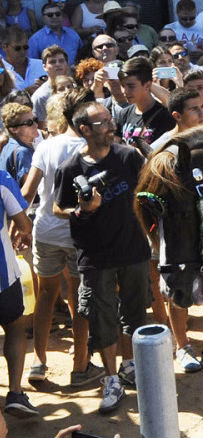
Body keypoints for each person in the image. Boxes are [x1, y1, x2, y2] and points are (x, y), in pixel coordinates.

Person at [53, 100, 152, 414]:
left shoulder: (128, 157)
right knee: (103, 318)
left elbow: (148, 190)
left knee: (135, 314)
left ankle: (130, 365)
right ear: (84, 130)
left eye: (111, 120)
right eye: (103, 122)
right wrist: (83, 209)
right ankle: (111, 379)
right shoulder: (71, 167)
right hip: (95, 256)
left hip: (133, 249)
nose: (111, 126)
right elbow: (59, 207)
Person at [22, 89, 104, 390]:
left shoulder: (46, 146)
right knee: (79, 299)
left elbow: (28, 193)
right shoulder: (92, 147)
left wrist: (18, 224)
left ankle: (39, 362)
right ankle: (80, 366)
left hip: (45, 232)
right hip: (79, 235)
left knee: (46, 296)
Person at [0, 168, 35, 418]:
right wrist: (22, 233)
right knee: (14, 326)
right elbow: (23, 223)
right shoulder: (1, 178)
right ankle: (15, 392)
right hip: (3, 276)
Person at [113, 57, 176, 148]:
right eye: (123, 86)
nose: (125, 91)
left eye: (131, 86)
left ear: (147, 86)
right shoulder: (123, 114)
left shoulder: (164, 117)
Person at [0, 103, 39, 186]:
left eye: (35, 120)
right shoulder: (22, 152)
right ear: (14, 129)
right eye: (29, 123)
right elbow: (29, 191)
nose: (36, 125)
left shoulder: (7, 146)